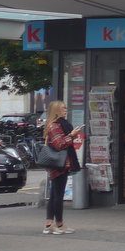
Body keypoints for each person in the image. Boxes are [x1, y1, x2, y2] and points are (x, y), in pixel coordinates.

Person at [42, 100, 83, 235]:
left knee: (56, 193)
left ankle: (54, 223)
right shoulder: (54, 126)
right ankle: (54, 224)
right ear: (56, 111)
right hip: (58, 164)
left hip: (60, 164)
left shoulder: (58, 125)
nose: (66, 110)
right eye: (63, 108)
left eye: (66, 108)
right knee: (57, 195)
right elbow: (59, 144)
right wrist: (71, 135)